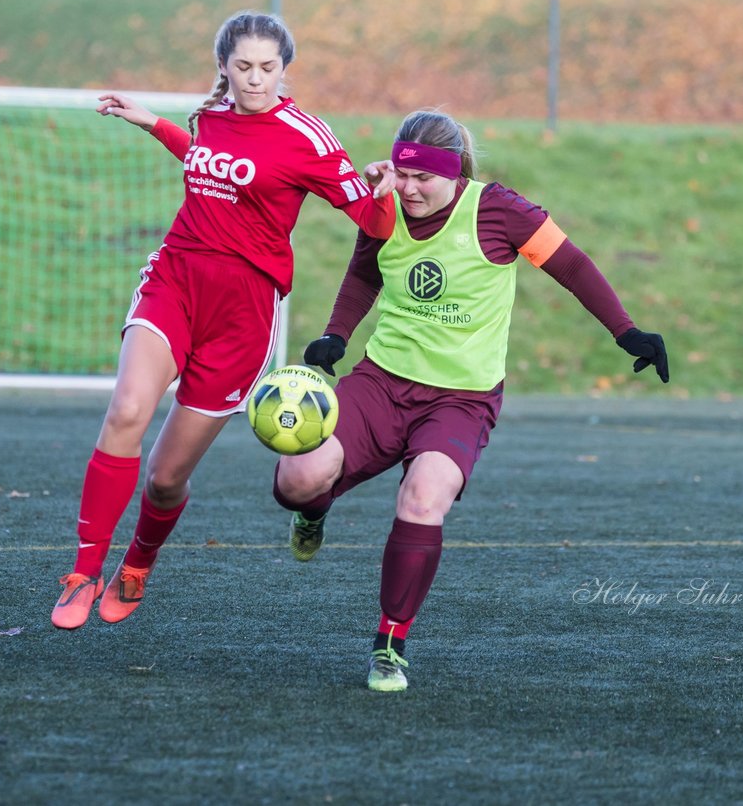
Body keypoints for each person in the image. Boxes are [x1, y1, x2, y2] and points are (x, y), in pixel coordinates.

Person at [273, 109, 670, 692]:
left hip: (461, 399)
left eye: (422, 180)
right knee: (295, 480)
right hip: (382, 382)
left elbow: (573, 266)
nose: (408, 189)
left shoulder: (500, 210)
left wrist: (627, 332)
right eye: (402, 176)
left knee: (424, 496)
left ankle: (390, 645)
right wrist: (336, 335)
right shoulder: (385, 207)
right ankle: (315, 510)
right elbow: (364, 274)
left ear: (454, 173)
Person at [50, 11, 396, 629]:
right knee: (127, 410)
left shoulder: (307, 137)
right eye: (243, 67)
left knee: (164, 480)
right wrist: (152, 123)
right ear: (224, 68)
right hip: (175, 281)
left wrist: (383, 189)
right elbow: (208, 160)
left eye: (267, 67)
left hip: (243, 315)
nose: (256, 79)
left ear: (285, 69)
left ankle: (138, 563)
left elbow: (372, 225)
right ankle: (83, 571)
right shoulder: (207, 117)